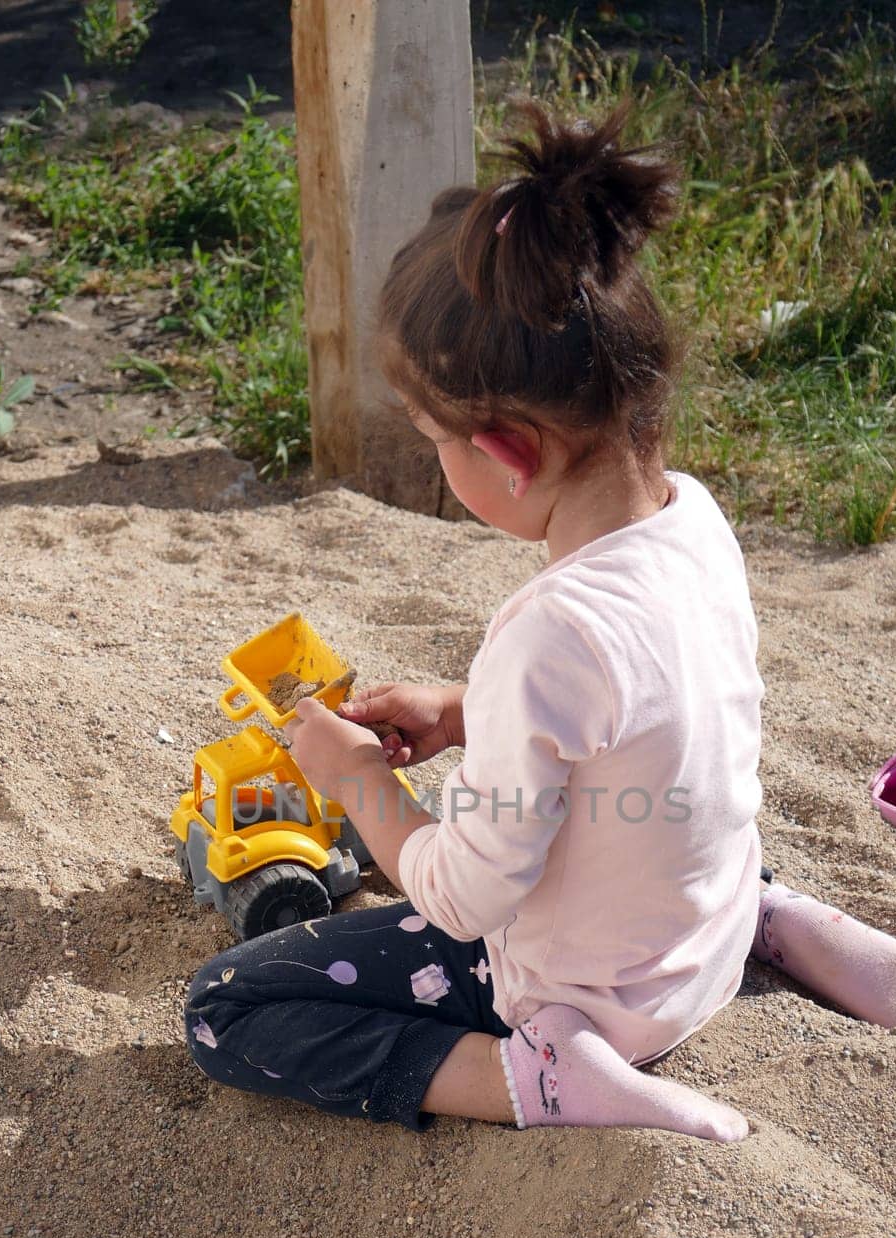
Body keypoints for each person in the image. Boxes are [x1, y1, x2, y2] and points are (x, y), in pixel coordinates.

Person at [182, 100, 767, 1141]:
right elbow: (646, 715)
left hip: (589, 1001)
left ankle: (542, 1079)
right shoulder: (693, 519)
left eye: (430, 438)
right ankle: (780, 918)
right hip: (696, 941)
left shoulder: (548, 631)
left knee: (225, 1009)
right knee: (676, 806)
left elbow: (460, 900)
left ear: (501, 454)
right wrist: (460, 715)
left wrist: (354, 778)